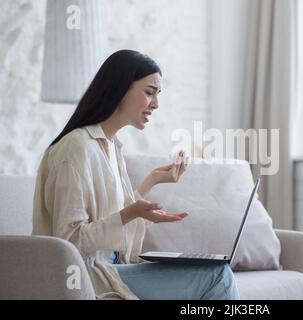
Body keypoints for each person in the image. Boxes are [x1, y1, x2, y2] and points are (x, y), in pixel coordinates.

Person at [32, 50, 240, 300]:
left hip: (111, 268)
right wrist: (130, 213)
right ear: (119, 88)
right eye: (149, 92)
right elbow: (68, 243)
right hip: (88, 277)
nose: (156, 104)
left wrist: (153, 179)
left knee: (216, 271)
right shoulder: (76, 149)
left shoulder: (111, 146)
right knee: (218, 276)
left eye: (157, 94)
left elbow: (112, 218)